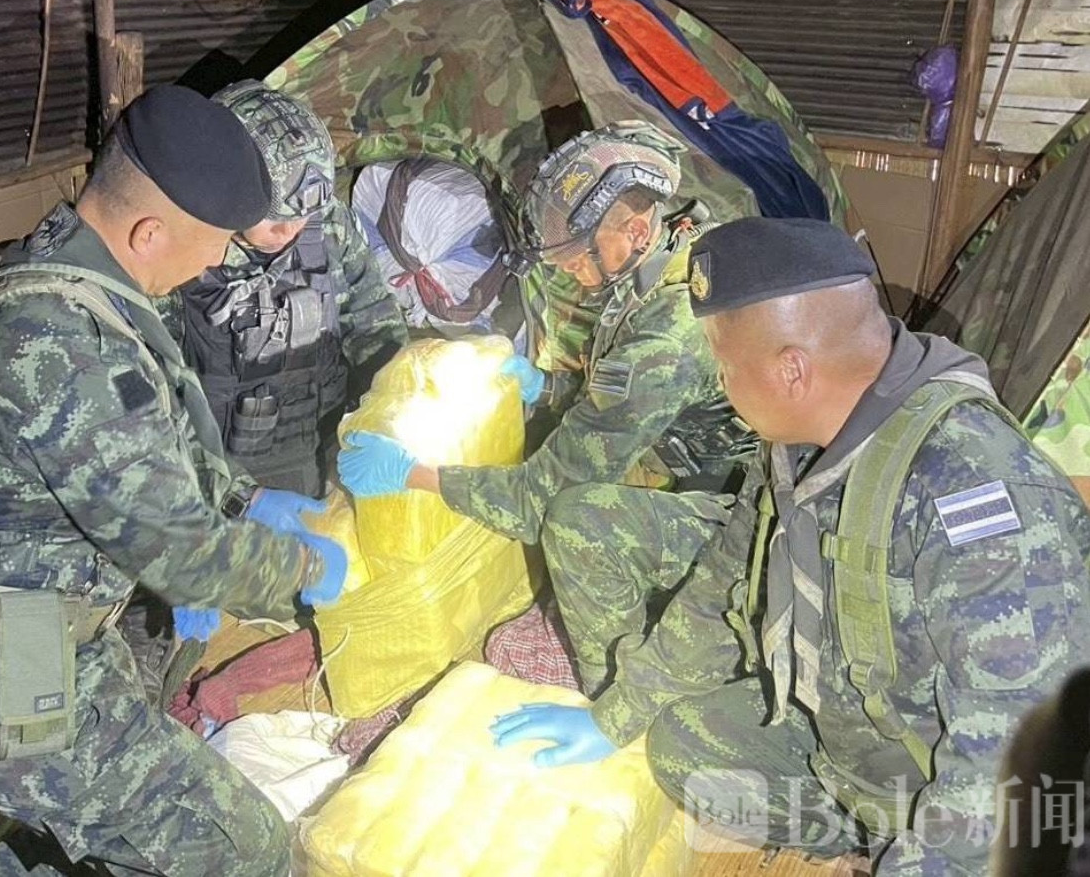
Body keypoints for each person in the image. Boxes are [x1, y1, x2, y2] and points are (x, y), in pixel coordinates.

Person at [491, 216, 1090, 875]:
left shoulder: (980, 499)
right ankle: (864, 830)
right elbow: (722, 580)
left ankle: (890, 842)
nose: (723, 386)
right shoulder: (799, 443)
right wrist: (614, 716)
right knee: (681, 746)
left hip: (967, 786)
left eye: (725, 368)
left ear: (791, 371)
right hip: (851, 732)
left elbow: (1011, 773)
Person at [0, 85, 348, 876]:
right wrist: (308, 568)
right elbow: (188, 560)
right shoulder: (67, 350)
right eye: (215, 244)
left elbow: (143, 443)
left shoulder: (63, 271)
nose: (218, 262)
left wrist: (243, 498)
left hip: (35, 623)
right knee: (245, 849)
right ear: (149, 233)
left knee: (105, 828)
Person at [337, 123, 751, 690]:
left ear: (635, 229)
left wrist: (411, 473)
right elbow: (636, 400)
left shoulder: (666, 342)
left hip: (737, 509)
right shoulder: (681, 247)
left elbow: (538, 501)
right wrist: (550, 388)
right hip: (701, 451)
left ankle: (616, 689)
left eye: (577, 254)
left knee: (574, 523)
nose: (566, 269)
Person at [175, 80, 407, 497]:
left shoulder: (328, 224)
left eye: (303, 217)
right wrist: (235, 496)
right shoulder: (177, 253)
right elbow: (156, 403)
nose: (291, 231)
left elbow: (374, 322)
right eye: (275, 218)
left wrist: (393, 410)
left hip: (329, 450)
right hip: (219, 479)